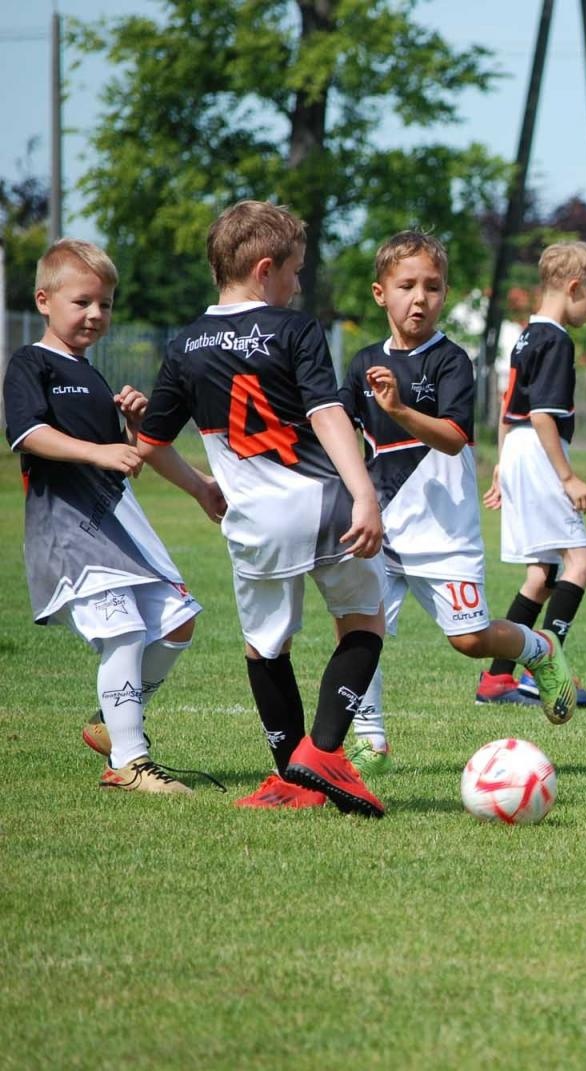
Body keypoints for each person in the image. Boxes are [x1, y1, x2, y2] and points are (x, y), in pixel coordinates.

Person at [137, 200, 392, 816]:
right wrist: (364, 492)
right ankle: (325, 751)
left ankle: (290, 781)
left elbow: (148, 444)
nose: (298, 284)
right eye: (296, 271)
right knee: (364, 619)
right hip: (323, 502)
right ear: (265, 268)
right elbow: (327, 413)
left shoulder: (185, 345)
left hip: (254, 520)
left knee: (265, 648)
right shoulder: (293, 328)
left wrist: (201, 487)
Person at [339, 231, 578, 770]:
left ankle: (538, 649)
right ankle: (370, 740)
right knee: (359, 627)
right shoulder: (360, 364)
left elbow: (451, 436)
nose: (419, 298)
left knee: (469, 641)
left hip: (443, 531)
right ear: (381, 293)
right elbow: (341, 439)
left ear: (445, 295)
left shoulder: (451, 361)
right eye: (406, 286)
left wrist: (399, 409)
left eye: (432, 287)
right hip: (379, 527)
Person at [4, 239, 219, 795]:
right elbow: (27, 434)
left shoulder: (93, 376)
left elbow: (126, 467)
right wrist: (99, 450)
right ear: (44, 300)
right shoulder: (31, 363)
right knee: (123, 630)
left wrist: (128, 431)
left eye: (105, 304)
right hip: (69, 531)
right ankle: (130, 761)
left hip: (117, 527)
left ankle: (111, 720)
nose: (95, 314)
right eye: (82, 302)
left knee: (177, 621)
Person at [480, 242, 586, 708]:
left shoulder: (525, 335)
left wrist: (499, 464)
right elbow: (540, 415)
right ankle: (545, 672)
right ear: (573, 287)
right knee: (582, 563)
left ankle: (497, 680)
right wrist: (568, 477)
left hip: (516, 451)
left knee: (542, 573)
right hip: (537, 452)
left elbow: (506, 403)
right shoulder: (556, 339)